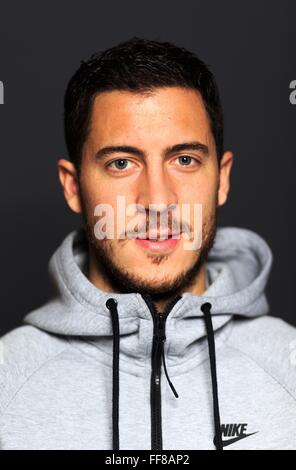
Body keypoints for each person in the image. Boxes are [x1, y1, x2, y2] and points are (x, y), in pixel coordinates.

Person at [1, 37, 295, 451]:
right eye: (121, 163)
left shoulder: (288, 366)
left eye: (185, 160)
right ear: (73, 187)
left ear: (222, 178)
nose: (157, 201)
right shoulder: (6, 381)